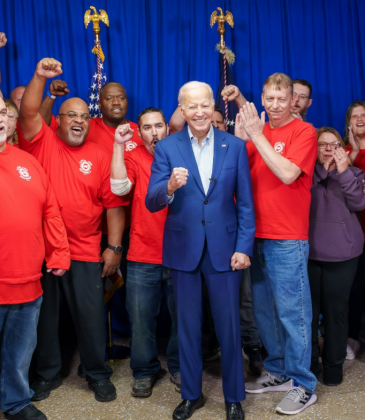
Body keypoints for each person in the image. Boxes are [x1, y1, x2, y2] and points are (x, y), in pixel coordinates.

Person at [17, 57, 129, 403]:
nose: (79, 121)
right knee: (45, 319)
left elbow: (114, 205)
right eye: (72, 115)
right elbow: (28, 112)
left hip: (84, 250)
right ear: (59, 121)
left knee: (92, 316)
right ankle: (47, 374)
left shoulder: (99, 154)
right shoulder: (43, 141)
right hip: (45, 249)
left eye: (84, 116)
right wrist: (40, 76)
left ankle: (97, 373)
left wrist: (114, 248)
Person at [146, 81, 256, 420]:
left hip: (225, 250)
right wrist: (169, 187)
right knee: (188, 327)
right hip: (183, 250)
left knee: (228, 327)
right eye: (191, 106)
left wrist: (243, 247)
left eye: (204, 105)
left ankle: (234, 397)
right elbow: (152, 200)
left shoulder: (235, 146)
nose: (198, 111)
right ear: (181, 108)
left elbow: (246, 206)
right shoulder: (166, 148)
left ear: (212, 106)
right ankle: (191, 395)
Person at [234, 73, 318, 415]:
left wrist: (255, 135)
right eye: (269, 98)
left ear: (293, 100)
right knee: (265, 313)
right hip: (256, 235)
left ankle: (304, 385)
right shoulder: (258, 132)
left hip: (287, 238)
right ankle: (279, 370)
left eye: (282, 99)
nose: (275, 105)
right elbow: (242, 175)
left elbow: (286, 173)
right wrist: (245, 139)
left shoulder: (304, 132)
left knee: (293, 314)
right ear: (263, 99)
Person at [0, 96, 70, 420]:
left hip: (29, 279)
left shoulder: (29, 163)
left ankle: (15, 403)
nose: (0, 119)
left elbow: (50, 211)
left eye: (3, 113)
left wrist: (59, 252)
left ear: (14, 122)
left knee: (19, 352)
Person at [110, 107, 180, 398]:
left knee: (184, 318)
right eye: (147, 127)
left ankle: (178, 366)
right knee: (140, 320)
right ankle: (144, 370)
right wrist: (117, 145)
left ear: (167, 129)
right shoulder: (134, 155)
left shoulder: (181, 153)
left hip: (181, 254)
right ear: (139, 133)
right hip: (142, 254)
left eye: (159, 126)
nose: (154, 132)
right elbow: (118, 188)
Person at [308, 126, 365, 386]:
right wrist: (323, 169)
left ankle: (333, 366)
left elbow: (358, 203)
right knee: (307, 314)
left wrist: (342, 172)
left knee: (336, 312)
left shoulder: (355, 174)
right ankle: (308, 365)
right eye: (323, 144)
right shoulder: (306, 174)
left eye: (335, 144)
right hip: (308, 253)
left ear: (343, 148)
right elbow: (304, 192)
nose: (329, 149)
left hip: (343, 255)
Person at [344, 100, 365, 359]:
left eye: (364, 115)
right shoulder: (343, 150)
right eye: (355, 116)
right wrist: (353, 152)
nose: (360, 118)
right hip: (353, 232)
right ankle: (351, 336)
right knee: (354, 286)